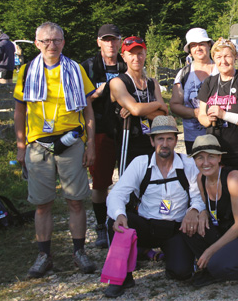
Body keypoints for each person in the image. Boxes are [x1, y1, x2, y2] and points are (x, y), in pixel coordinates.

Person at [13, 22, 97, 278]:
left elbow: (88, 110)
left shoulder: (76, 69)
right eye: (46, 41)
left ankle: (79, 252)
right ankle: (44, 255)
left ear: (63, 41)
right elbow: (19, 110)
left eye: (57, 40)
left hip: (71, 141)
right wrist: (20, 146)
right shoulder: (27, 71)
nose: (52, 45)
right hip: (38, 144)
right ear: (37, 43)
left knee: (75, 201)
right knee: (42, 204)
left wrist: (90, 144)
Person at [104, 115, 206, 298]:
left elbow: (199, 197)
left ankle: (166, 255)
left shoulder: (188, 164)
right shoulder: (140, 164)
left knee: (182, 273)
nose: (165, 144)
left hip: (175, 228)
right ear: (151, 141)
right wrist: (120, 214)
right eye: (160, 138)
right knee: (117, 221)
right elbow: (117, 194)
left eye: (169, 138)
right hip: (145, 226)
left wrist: (194, 210)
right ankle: (121, 278)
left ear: (176, 141)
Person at [180, 134, 238, 290]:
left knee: (218, 266)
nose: (206, 162)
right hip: (226, 229)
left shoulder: (233, 179)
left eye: (211, 156)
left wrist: (210, 251)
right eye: (200, 158)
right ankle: (213, 266)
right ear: (194, 160)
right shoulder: (201, 179)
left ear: (219, 158)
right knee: (188, 228)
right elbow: (207, 206)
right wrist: (202, 213)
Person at [81, 24, 126, 249]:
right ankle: (100, 226)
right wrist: (99, 93)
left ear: (120, 42)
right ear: (98, 42)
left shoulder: (126, 64)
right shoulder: (88, 67)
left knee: (130, 179)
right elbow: (80, 99)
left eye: (114, 39)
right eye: (106, 39)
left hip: (126, 128)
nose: (110, 44)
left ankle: (128, 222)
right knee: (100, 182)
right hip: (99, 129)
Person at [197, 38, 238, 165]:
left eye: (227, 56)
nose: (223, 61)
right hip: (215, 152)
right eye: (219, 57)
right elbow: (201, 115)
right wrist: (209, 119)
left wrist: (224, 115)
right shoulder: (209, 83)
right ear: (213, 59)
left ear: (235, 57)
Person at [109, 36, 168, 168]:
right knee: (131, 187)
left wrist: (140, 110)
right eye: (131, 54)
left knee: (153, 185)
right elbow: (136, 109)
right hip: (128, 143)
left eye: (140, 53)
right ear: (123, 56)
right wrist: (158, 105)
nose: (136, 58)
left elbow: (163, 116)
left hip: (153, 142)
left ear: (145, 54)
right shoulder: (118, 82)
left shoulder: (152, 83)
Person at [170, 28, 217, 154]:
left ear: (209, 45)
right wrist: (196, 112)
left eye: (202, 44)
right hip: (193, 137)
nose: (198, 48)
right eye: (194, 45)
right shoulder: (183, 74)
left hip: (221, 135)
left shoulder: (220, 69)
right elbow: (174, 105)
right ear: (190, 50)